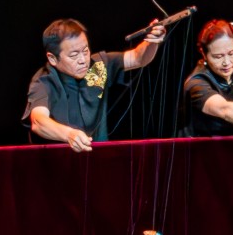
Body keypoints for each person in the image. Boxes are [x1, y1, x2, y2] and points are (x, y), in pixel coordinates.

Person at [22, 17, 166, 152]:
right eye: (73, 55)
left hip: (99, 156)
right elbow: (38, 121)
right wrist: (69, 134)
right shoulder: (44, 80)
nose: (82, 60)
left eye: (85, 51)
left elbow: (137, 58)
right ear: (53, 58)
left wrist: (152, 41)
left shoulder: (98, 65)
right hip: (60, 164)